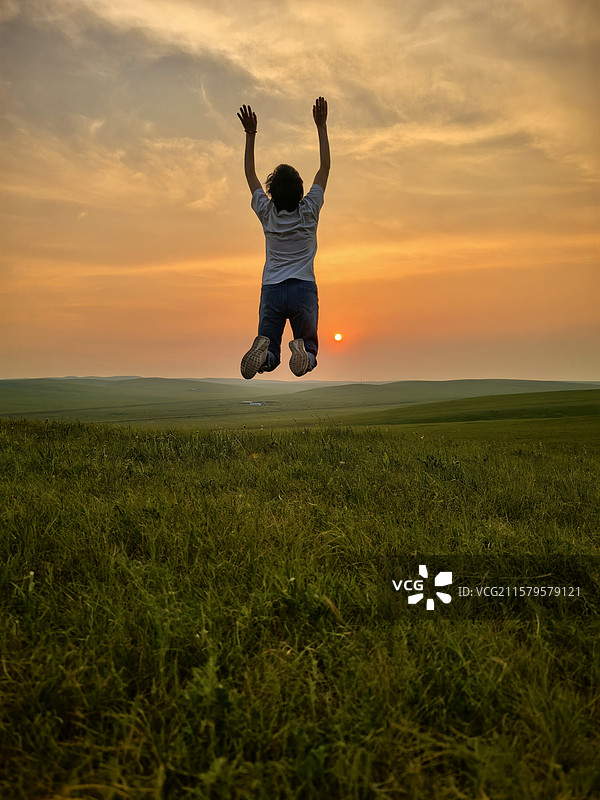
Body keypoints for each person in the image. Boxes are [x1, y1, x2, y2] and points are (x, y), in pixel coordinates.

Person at [237, 97, 330, 379]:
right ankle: (306, 354)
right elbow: (324, 168)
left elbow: (250, 174)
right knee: (309, 345)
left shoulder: (267, 212)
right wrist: (321, 126)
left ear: (272, 193)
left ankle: (265, 354)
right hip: (302, 288)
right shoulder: (310, 210)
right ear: (300, 190)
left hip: (272, 289)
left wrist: (250, 135)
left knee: (271, 349)